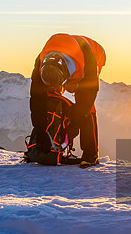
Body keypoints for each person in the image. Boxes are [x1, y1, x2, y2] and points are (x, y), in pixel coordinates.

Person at [24, 34, 106, 167]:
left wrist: (74, 123)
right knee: (50, 98)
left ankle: (91, 154)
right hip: (68, 53)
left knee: (85, 105)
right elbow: (37, 101)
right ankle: (45, 144)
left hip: (95, 53)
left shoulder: (88, 58)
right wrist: (40, 131)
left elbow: (87, 99)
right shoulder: (40, 61)